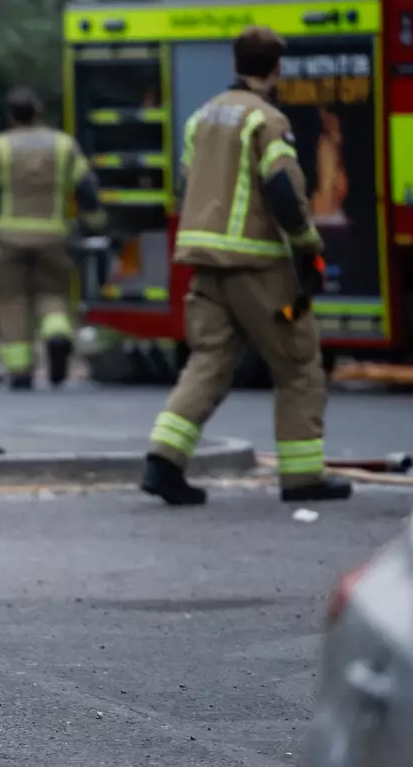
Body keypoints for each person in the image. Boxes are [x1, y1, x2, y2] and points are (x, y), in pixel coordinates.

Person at [141, 25, 351, 505]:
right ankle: (302, 478)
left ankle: (163, 461)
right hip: (261, 273)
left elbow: (190, 181)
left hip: (206, 268)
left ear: (235, 63)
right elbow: (282, 188)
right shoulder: (267, 120)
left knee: (210, 359)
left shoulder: (202, 118)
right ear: (276, 69)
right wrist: (307, 248)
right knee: (297, 361)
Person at [0, 87, 104, 390]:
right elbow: (86, 186)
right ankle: (57, 335)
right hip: (54, 235)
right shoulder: (63, 145)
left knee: (12, 300)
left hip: (10, 236)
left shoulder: (0, 146)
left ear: (11, 116)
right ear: (39, 111)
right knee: (54, 295)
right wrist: (95, 222)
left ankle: (20, 371)